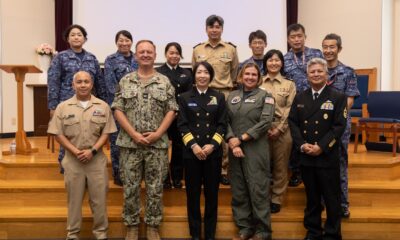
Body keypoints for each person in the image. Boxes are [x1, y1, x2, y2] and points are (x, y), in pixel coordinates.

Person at [111, 40, 178, 240]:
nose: (146, 54)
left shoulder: (164, 81)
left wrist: (158, 134)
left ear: (155, 55)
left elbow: (172, 110)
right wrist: (133, 134)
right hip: (130, 144)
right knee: (130, 187)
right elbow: (117, 109)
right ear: (136, 55)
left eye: (149, 51)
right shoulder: (125, 80)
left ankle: (152, 225)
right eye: (142, 52)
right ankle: (131, 226)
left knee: (155, 187)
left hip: (156, 146)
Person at [47, 71, 117, 240]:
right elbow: (57, 133)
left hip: (96, 160)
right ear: (73, 85)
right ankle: (72, 235)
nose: (83, 85)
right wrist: (75, 150)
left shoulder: (103, 106)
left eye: (86, 81)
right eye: (79, 82)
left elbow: (106, 133)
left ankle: (101, 234)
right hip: (73, 160)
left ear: (92, 84)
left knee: (99, 202)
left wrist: (92, 151)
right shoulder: (63, 107)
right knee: (74, 202)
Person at [288, 58, 347, 240]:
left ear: (326, 74)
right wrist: (301, 145)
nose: (316, 74)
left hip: (326, 156)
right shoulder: (300, 97)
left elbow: (339, 126)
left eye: (319, 71)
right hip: (306, 155)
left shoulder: (337, 97)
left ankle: (332, 233)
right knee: (312, 198)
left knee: (331, 198)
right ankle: (313, 231)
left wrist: (321, 147)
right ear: (307, 75)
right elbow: (293, 122)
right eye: (312, 72)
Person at [177, 61, 227, 240]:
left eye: (206, 72)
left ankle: (210, 234)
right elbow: (182, 125)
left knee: (212, 195)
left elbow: (222, 124)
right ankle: (196, 234)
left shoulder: (219, 97)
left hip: (213, 153)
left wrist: (212, 145)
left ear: (210, 76)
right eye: (199, 72)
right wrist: (194, 146)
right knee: (193, 196)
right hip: (192, 153)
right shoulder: (184, 97)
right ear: (194, 75)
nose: (202, 75)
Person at [48, 24, 107, 173]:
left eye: (79, 35)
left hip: (90, 104)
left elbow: (99, 82)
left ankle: (89, 164)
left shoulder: (92, 58)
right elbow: (53, 81)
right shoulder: (60, 57)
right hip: (67, 104)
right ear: (67, 39)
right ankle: (66, 168)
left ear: (85, 39)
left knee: (89, 134)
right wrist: (53, 106)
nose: (76, 37)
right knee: (68, 135)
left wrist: (104, 103)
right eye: (73, 35)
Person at [226, 63, 275, 240]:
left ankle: (263, 231)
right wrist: (232, 139)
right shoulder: (231, 96)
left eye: (254, 75)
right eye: (247, 74)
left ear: (259, 78)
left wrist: (242, 138)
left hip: (256, 149)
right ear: (241, 76)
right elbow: (225, 121)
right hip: (234, 149)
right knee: (239, 189)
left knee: (258, 188)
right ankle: (245, 227)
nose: (250, 77)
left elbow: (265, 122)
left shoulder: (266, 97)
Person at [192, 14, 239, 185]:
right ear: (206, 29)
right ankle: (205, 163)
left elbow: (235, 72)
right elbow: (195, 71)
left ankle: (224, 169)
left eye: (217, 27)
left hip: (224, 94)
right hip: (204, 93)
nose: (214, 30)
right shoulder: (198, 50)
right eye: (211, 27)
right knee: (205, 127)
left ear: (222, 29)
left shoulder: (230, 49)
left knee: (223, 128)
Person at [322, 33, 360, 218]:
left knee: (340, 165)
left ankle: (343, 204)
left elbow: (350, 100)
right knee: (320, 165)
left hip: (340, 126)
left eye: (332, 47)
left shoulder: (348, 72)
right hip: (320, 127)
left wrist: (332, 117)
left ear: (339, 49)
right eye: (325, 47)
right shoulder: (317, 70)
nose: (328, 51)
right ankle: (323, 202)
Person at [284, 23, 323, 187]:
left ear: (305, 36)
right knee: (296, 137)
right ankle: (296, 171)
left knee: (315, 135)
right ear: (288, 39)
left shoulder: (316, 54)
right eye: (293, 37)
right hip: (296, 105)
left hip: (317, 103)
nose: (296, 39)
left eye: (299, 36)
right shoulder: (284, 59)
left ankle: (317, 169)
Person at [259, 49, 296, 214]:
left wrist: (279, 129)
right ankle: (262, 197)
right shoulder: (257, 82)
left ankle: (276, 199)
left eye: (277, 60)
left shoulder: (289, 84)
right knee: (262, 167)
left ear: (282, 63)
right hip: (260, 131)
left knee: (280, 167)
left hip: (283, 129)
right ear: (265, 62)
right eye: (270, 60)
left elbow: (291, 109)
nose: (273, 63)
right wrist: (261, 128)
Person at [156, 42, 193, 189]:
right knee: (162, 147)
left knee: (179, 147)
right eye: (171, 53)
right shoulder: (158, 72)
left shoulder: (187, 73)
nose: (174, 56)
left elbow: (189, 96)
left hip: (180, 116)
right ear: (166, 54)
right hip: (163, 116)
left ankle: (177, 177)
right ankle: (164, 178)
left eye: (177, 53)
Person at [104, 30, 139, 186]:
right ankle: (118, 173)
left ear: (131, 42)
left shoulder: (138, 58)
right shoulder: (110, 60)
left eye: (127, 40)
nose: (124, 43)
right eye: (121, 40)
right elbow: (111, 85)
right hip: (119, 107)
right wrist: (125, 101)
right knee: (117, 141)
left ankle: (135, 171)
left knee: (135, 139)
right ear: (116, 42)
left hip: (138, 107)